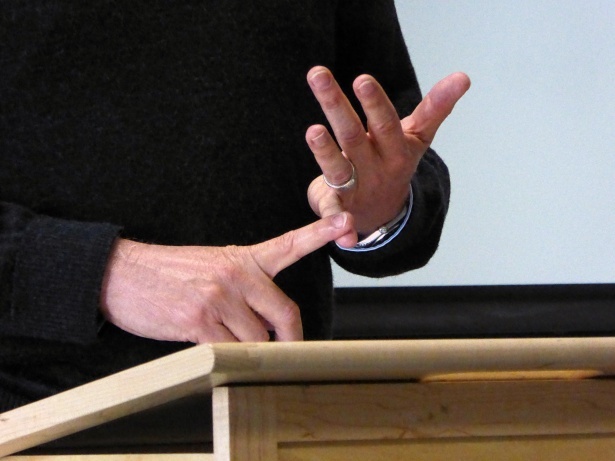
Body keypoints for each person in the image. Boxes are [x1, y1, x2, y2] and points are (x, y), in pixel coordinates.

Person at [0, 1, 470, 412]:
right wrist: (95, 273)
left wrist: (379, 209)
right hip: (30, 417)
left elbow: (390, 135)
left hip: (278, 412)